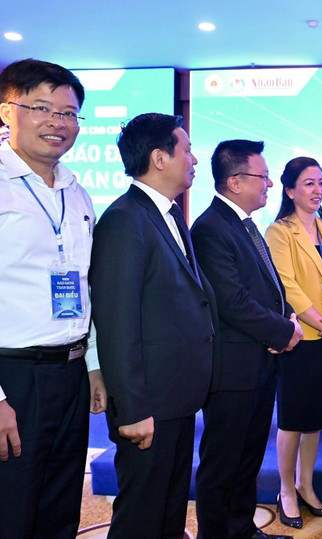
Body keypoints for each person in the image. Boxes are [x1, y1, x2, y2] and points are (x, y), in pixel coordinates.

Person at [90, 113, 217, 539]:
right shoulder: (125, 219)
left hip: (175, 398)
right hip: (149, 405)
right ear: (160, 158)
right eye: (187, 150)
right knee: (142, 518)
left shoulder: (168, 214)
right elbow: (116, 321)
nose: (194, 159)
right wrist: (133, 409)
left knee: (169, 512)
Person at [0, 58, 106, 539]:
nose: (57, 123)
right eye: (42, 108)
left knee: (60, 510)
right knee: (11, 511)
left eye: (68, 113)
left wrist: (92, 365)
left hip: (69, 371)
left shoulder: (75, 191)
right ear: (8, 111)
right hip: (13, 377)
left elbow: (83, 283)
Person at [191, 140, 302, 539]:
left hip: (259, 363)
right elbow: (232, 301)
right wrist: (284, 331)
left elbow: (266, 287)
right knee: (224, 462)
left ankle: (242, 530)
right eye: (263, 176)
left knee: (248, 457)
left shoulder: (244, 224)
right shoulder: (210, 229)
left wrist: (286, 315)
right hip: (233, 370)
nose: (270, 183)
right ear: (236, 182)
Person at [265, 157, 322, 529]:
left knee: (314, 419)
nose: (317, 190)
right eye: (308, 183)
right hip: (299, 339)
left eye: (321, 182)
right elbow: (287, 286)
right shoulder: (279, 232)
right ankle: (286, 490)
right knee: (293, 420)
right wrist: (321, 322)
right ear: (289, 190)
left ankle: (306, 485)